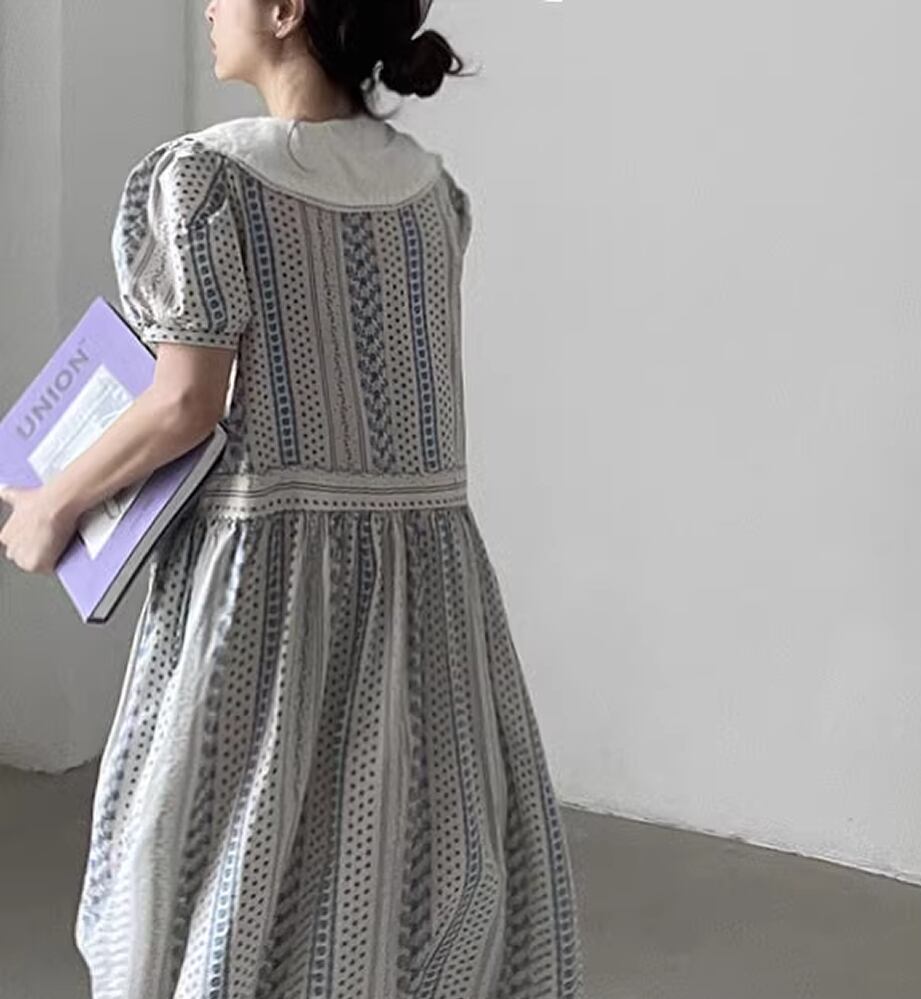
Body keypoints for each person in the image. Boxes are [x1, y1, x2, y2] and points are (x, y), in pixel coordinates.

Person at [27, 1, 587, 996]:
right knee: (406, 856)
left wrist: (53, 503)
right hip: (430, 588)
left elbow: (185, 403)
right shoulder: (432, 193)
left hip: (268, 591)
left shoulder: (205, 180)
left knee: (224, 851)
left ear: (287, 11)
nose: (209, 6)